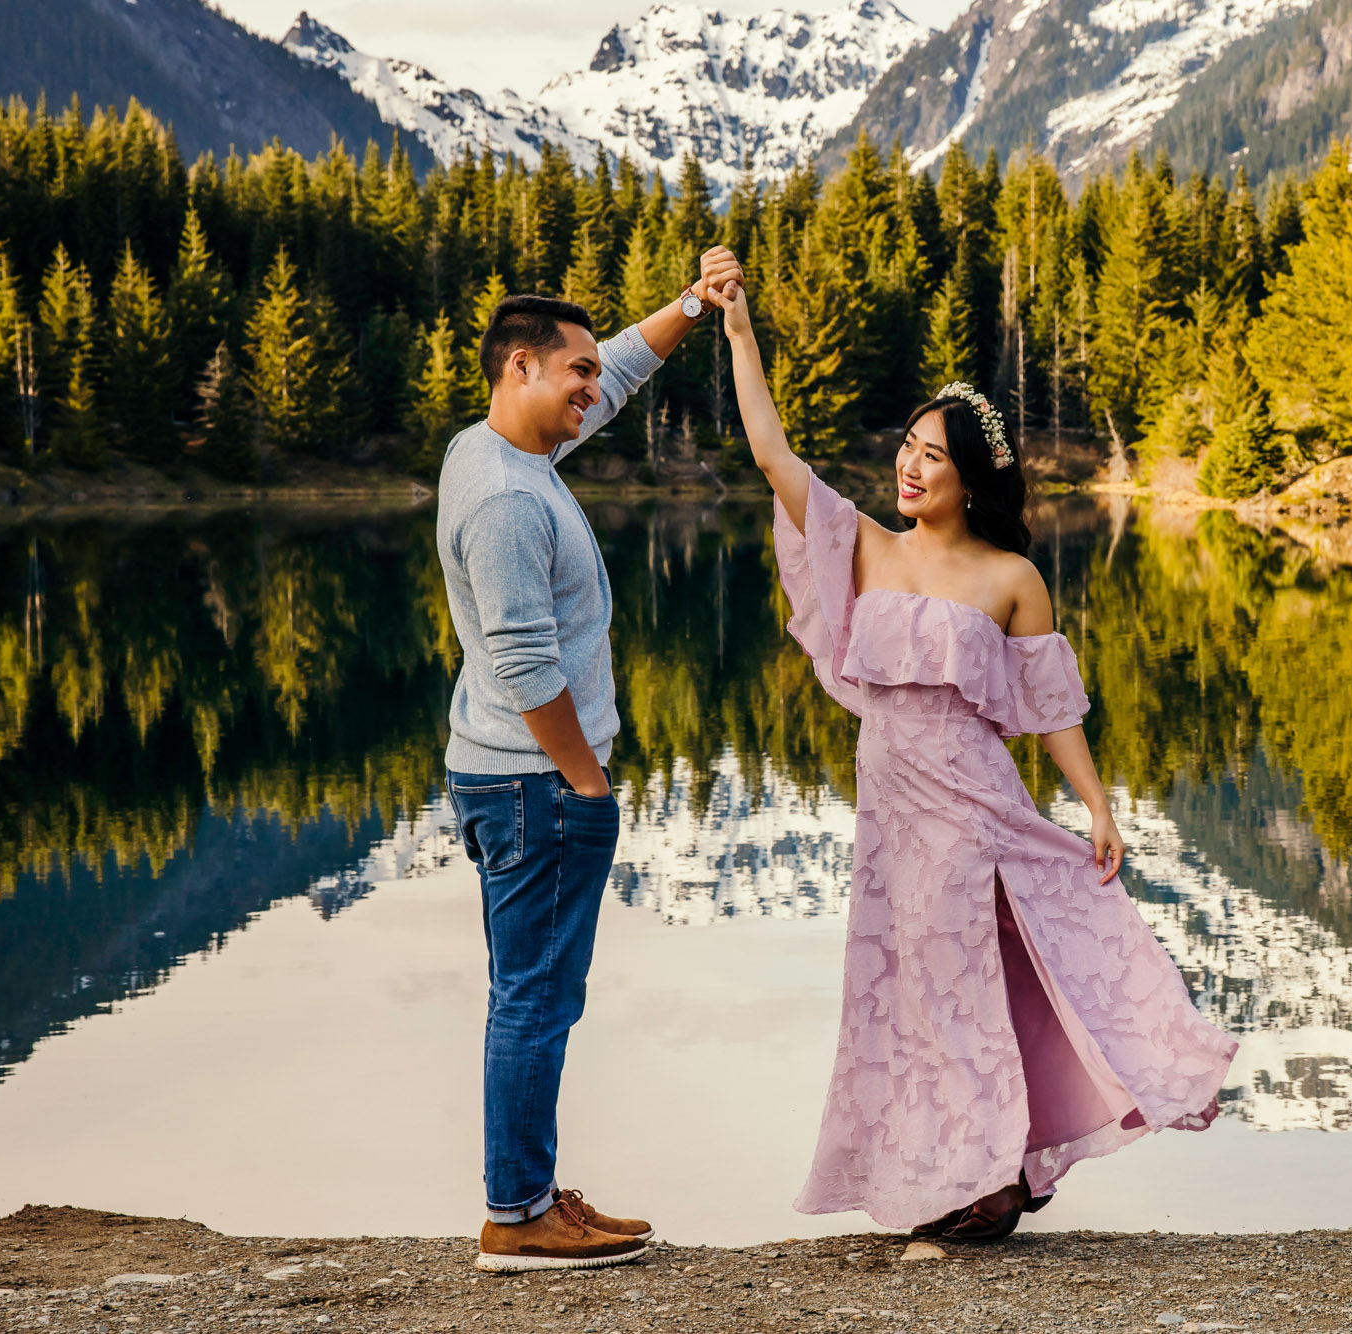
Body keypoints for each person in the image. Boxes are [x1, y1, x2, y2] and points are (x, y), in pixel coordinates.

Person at [710, 277, 1240, 1238]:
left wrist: (1100, 809)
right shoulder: (865, 546)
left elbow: (1053, 711)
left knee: (958, 989)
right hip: (889, 812)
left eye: (933, 458)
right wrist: (741, 331)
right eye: (908, 450)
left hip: (971, 807)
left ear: (971, 479)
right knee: (905, 995)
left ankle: (990, 1180)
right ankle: (961, 1173)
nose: (911, 470)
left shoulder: (1011, 578)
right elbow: (770, 453)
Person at [439, 247, 744, 1271]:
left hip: (497, 775)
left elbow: (614, 371)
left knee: (524, 993)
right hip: (534, 787)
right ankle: (517, 1213)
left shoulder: (496, 452)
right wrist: (583, 777)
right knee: (536, 998)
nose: (590, 387)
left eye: (588, 373)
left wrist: (691, 310)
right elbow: (526, 662)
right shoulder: (508, 500)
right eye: (569, 372)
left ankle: (524, 1193)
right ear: (517, 367)